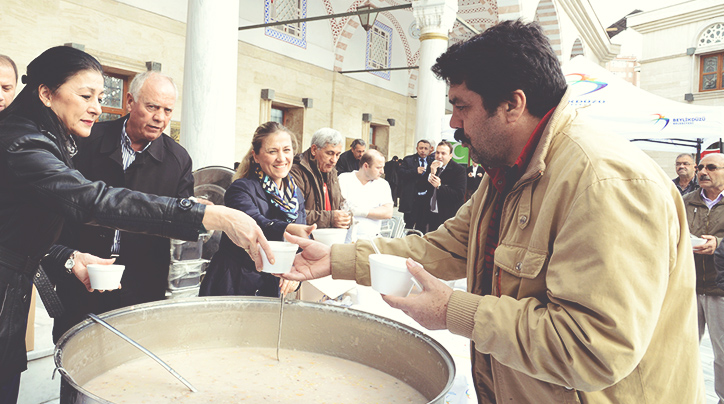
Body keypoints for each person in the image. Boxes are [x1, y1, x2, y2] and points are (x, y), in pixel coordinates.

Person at [282, 20, 702, 403]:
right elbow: (444, 247)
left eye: (462, 106)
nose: (452, 123)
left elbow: (593, 347)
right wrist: (336, 260)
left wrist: (454, 311)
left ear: (512, 105)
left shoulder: (604, 182)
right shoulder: (507, 171)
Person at [0, 46, 271, 403]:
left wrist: (70, 257)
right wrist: (208, 214)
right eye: (86, 96)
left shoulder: (41, 139)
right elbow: (92, 199)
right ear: (46, 94)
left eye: (101, 97)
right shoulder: (21, 144)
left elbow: (8, 230)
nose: (98, 107)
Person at [50, 71, 195, 342]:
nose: (160, 117)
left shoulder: (178, 160)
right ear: (130, 101)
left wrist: (193, 213)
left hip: (141, 287)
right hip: (82, 279)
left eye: (167, 110)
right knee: (76, 361)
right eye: (152, 107)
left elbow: (181, 229)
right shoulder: (86, 140)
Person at [199, 122, 313, 297]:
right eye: (272, 151)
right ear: (256, 156)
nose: (281, 158)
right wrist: (287, 229)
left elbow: (302, 240)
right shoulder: (241, 188)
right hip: (234, 285)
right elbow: (254, 222)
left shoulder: (295, 193)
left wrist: (296, 275)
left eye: (286, 150)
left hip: (272, 288)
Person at [684, 152, 724, 403]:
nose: (702, 172)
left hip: (720, 289)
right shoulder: (685, 201)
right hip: (687, 286)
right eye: (700, 167)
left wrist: (719, 243)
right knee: (683, 349)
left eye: (711, 167)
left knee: (722, 353)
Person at [289, 127, 350, 229]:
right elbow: (294, 214)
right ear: (314, 150)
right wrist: (330, 219)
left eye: (338, 154)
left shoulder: (332, 172)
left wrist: (347, 217)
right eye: (329, 153)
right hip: (306, 240)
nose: (334, 160)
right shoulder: (296, 172)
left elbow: (341, 204)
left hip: (330, 238)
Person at [337, 149, 393, 241]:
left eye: (383, 167)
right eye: (378, 168)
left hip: (371, 240)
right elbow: (338, 206)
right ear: (366, 166)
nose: (382, 171)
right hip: (346, 239)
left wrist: (363, 212)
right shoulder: (344, 179)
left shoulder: (383, 184)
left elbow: (388, 212)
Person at [426, 140, 466, 230]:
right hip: (430, 213)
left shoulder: (459, 170)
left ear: (450, 156)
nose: (439, 156)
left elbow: (459, 194)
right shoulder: (432, 166)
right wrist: (432, 173)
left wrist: (440, 186)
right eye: (437, 153)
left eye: (443, 153)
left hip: (448, 216)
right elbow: (421, 187)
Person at [398, 139, 433, 232]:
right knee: (408, 225)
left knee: (422, 225)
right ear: (417, 148)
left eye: (426, 148)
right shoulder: (408, 160)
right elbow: (401, 173)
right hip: (411, 199)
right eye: (421, 148)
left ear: (430, 150)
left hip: (425, 200)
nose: (423, 150)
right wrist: (415, 171)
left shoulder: (432, 162)